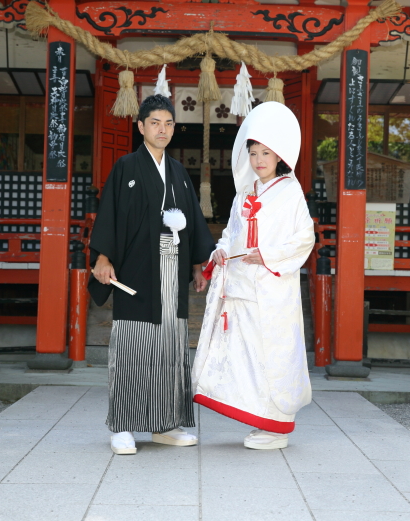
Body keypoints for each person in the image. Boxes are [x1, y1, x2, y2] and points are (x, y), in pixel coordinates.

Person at [89, 94, 215, 455]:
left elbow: (192, 221)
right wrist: (102, 256)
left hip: (172, 271)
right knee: (133, 345)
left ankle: (166, 425)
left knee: (171, 348)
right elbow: (110, 214)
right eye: (155, 123)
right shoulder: (127, 167)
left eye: (169, 123)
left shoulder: (178, 172)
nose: (162, 129)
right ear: (141, 127)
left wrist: (197, 265)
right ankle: (123, 426)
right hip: (137, 270)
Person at [191, 101, 315, 450]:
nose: (259, 159)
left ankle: (277, 424)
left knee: (274, 353)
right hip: (244, 287)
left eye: (266, 153)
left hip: (273, 288)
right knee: (247, 355)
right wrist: (220, 250)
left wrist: (270, 255)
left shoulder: (291, 192)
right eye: (254, 152)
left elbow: (305, 237)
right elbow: (232, 233)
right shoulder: (244, 194)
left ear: (279, 157)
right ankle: (260, 419)